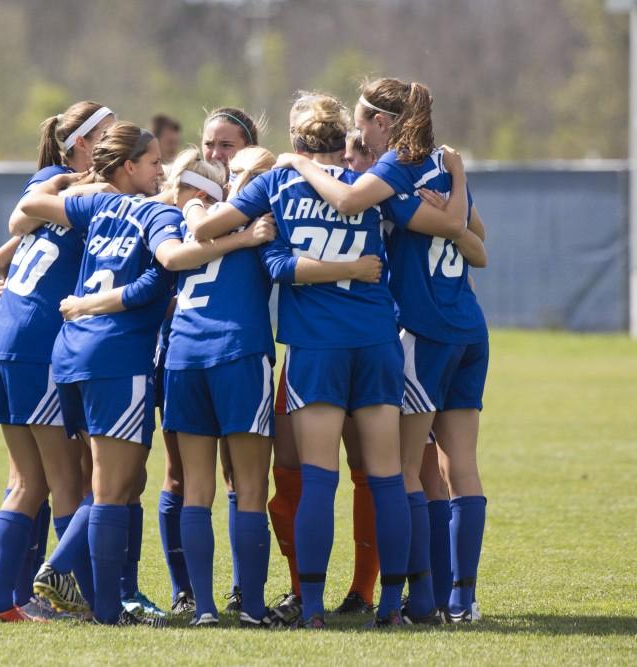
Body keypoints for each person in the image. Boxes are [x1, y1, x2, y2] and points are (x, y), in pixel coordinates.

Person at [14, 121, 274, 626]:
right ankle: (88, 593)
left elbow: (27, 209)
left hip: (71, 356)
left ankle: (100, 593)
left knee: (104, 481)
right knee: (118, 485)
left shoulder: (103, 204)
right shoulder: (159, 214)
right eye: (153, 161)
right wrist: (240, 238)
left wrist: (78, 182)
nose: (161, 168)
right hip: (118, 355)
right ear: (130, 166)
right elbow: (173, 258)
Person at [275, 77, 489, 623]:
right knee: (455, 466)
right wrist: (459, 184)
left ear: (384, 123)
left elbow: (348, 198)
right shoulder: (441, 163)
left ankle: (418, 600)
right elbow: (477, 243)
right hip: (468, 326)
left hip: (421, 330)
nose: (355, 132)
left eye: (362, 121)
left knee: (406, 472)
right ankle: (456, 600)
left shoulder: (393, 168)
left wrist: (299, 164)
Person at [193, 92, 411, 629]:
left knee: (319, 479)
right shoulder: (368, 181)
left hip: (315, 348)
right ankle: (389, 605)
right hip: (377, 340)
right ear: (345, 138)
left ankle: (310, 607)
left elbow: (212, 233)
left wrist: (211, 205)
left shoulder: (277, 182)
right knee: (386, 477)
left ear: (293, 142)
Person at [0, 101, 116, 622]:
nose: (115, 136)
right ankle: (59, 596)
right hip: (37, 343)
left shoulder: (52, 185)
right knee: (62, 481)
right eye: (105, 132)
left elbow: (2, 254)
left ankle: (0, 603)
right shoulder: (79, 188)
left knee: (27, 481)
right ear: (81, 144)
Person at [156, 106, 265, 615]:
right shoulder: (259, 207)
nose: (216, 154)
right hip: (235, 351)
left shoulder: (187, 207)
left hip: (186, 352)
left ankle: (203, 606)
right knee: (245, 486)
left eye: (228, 146)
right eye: (210, 145)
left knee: (201, 486)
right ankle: (246, 604)